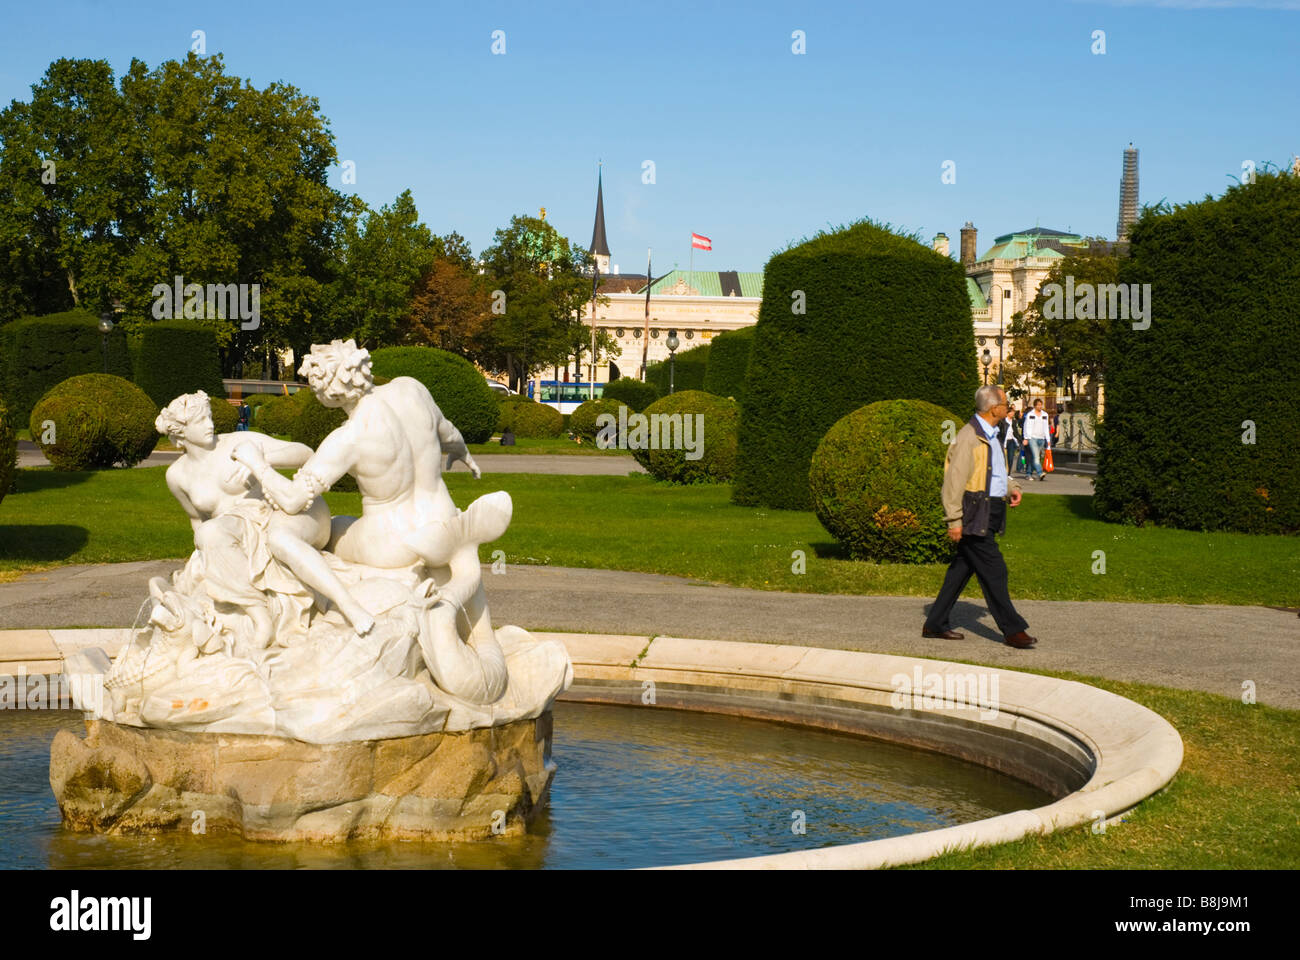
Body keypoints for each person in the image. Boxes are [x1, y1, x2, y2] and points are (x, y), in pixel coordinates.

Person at [922, 384, 1037, 649]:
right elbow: (952, 482)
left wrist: (1012, 489)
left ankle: (935, 623)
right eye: (1006, 403)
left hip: (990, 511)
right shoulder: (969, 437)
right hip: (975, 515)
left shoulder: (993, 434)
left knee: (961, 570)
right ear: (994, 407)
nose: (1008, 407)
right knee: (995, 571)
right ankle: (1013, 630)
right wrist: (954, 520)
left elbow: (995, 472)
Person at [1022, 398, 1052, 481]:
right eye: (1038, 405)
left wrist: (1048, 440)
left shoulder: (1045, 415)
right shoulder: (1030, 414)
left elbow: (1046, 428)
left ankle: (1028, 474)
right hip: (1032, 438)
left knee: (1034, 457)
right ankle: (1040, 472)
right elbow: (1026, 426)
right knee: (1036, 457)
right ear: (1035, 406)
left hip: (1041, 438)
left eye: (1041, 405)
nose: (1040, 406)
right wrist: (1026, 438)